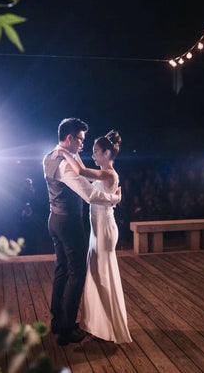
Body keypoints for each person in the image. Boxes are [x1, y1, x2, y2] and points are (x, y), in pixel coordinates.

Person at [42, 118, 122, 346]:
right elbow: (90, 195)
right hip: (69, 223)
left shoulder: (49, 157)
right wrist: (114, 198)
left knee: (62, 270)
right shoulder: (66, 165)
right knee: (76, 274)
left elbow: (82, 172)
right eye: (80, 139)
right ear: (69, 138)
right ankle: (66, 329)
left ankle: (58, 321)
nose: (82, 145)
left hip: (54, 219)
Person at [55, 130, 132, 344]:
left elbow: (79, 170)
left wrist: (64, 151)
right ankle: (100, 325)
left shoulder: (109, 174)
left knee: (103, 276)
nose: (93, 154)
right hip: (97, 230)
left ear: (107, 153)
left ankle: (112, 327)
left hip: (105, 229)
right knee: (97, 276)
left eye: (96, 151)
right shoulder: (105, 171)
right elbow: (82, 169)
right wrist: (73, 151)